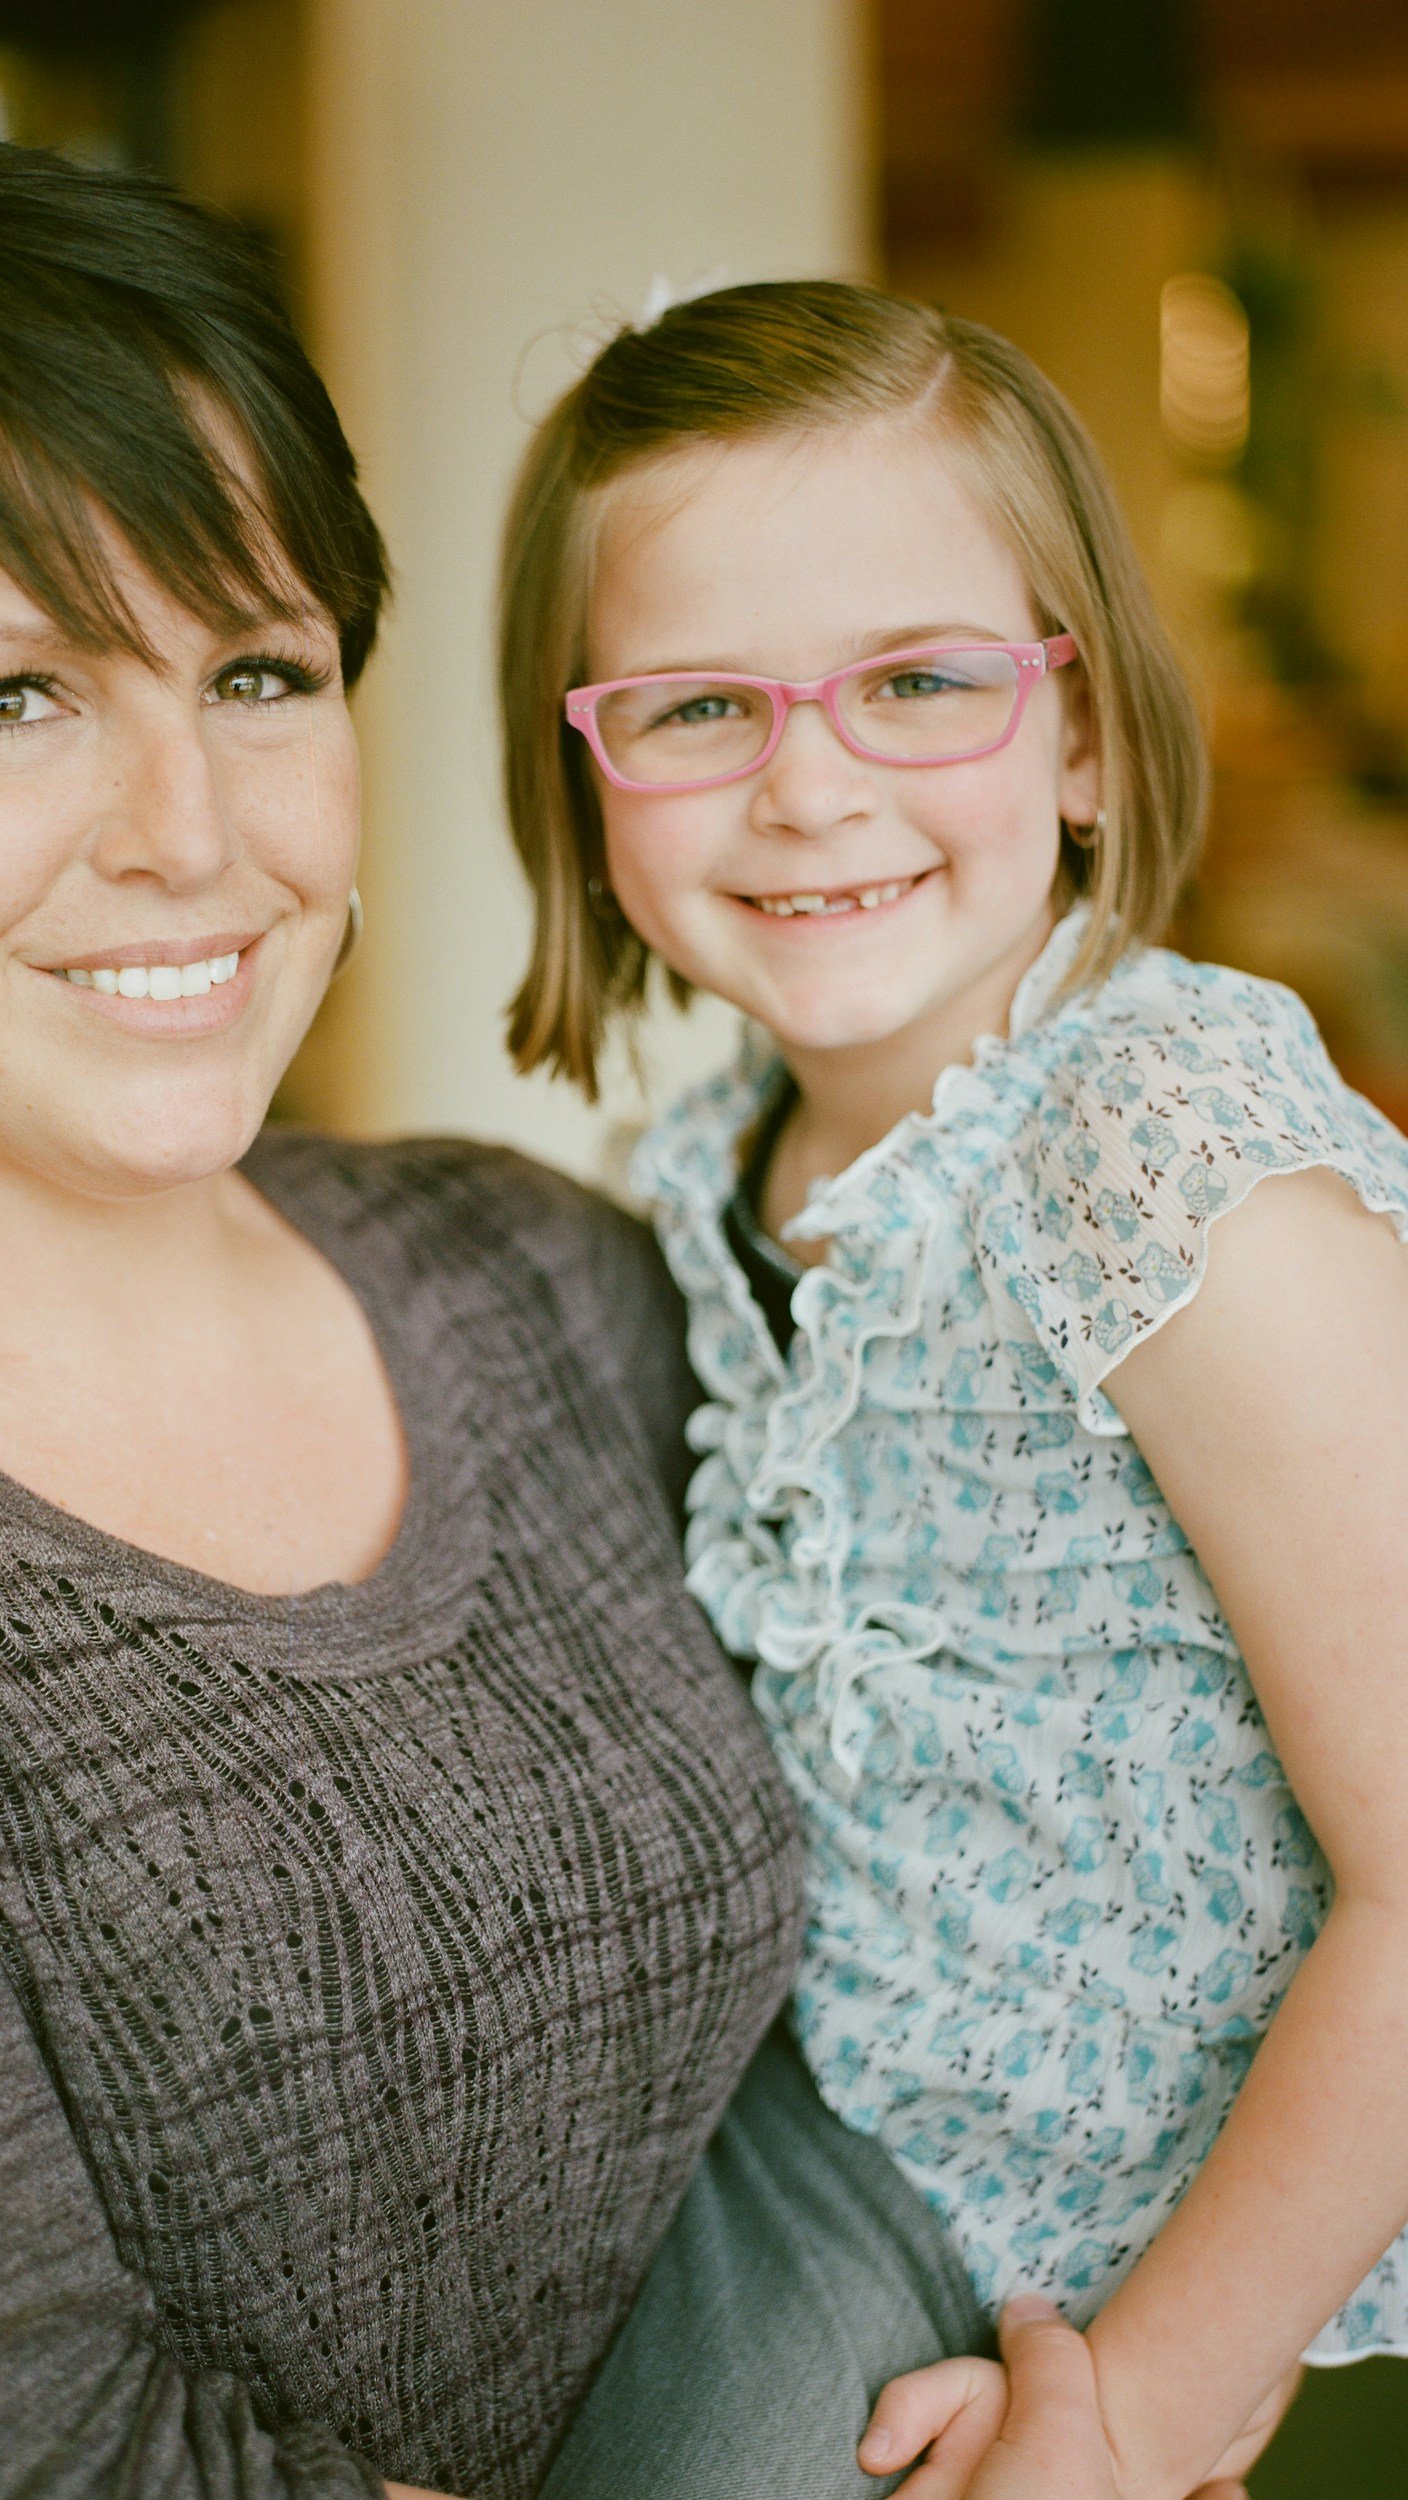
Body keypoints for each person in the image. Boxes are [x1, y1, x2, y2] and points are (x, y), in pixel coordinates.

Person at [0, 146, 1066, 2500]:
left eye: (259, 670)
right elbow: (9, 2468)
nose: (192, 830)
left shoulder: (541, 1274)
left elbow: (971, 1900)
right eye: (8, 699)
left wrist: (1059, 2364)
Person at [498, 274, 1408, 2499]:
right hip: (826, 2128)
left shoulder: (1161, 1159)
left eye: (919, 680)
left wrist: (1147, 2400)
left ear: (1083, 735)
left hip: (1159, 2257)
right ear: (589, 768)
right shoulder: (704, 1165)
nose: (812, 789)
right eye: (700, 705)